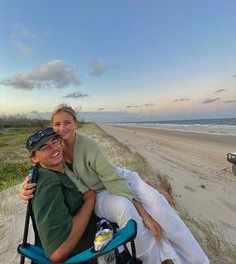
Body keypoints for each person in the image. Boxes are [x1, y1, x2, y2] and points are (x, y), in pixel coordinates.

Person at [21, 104, 209, 264]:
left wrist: (146, 216)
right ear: (52, 127)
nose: (62, 128)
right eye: (57, 124)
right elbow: (43, 166)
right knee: (132, 208)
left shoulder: (85, 146)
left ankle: (198, 260)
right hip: (102, 191)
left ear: (76, 124)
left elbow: (114, 180)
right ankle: (161, 256)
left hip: (118, 179)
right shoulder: (56, 150)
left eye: (67, 122)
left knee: (159, 207)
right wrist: (25, 188)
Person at [25, 128, 98, 263]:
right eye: (44, 147)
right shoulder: (47, 181)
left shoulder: (64, 169)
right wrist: (90, 200)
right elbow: (58, 252)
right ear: (34, 158)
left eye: (54, 141)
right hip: (85, 253)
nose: (54, 149)